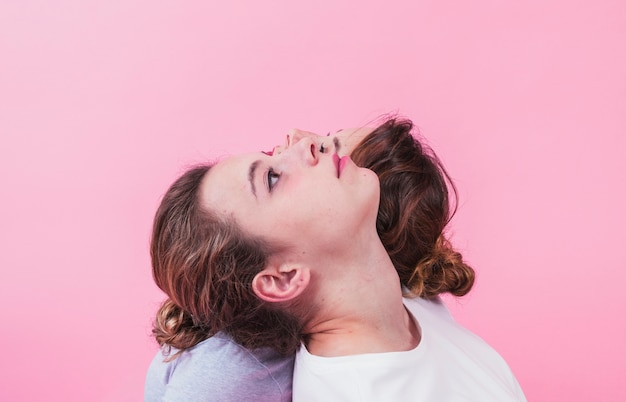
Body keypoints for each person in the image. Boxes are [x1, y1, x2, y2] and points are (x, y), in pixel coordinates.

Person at [146, 118, 526, 401]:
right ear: (282, 278)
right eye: (272, 179)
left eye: (272, 156)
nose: (305, 141)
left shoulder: (420, 304)